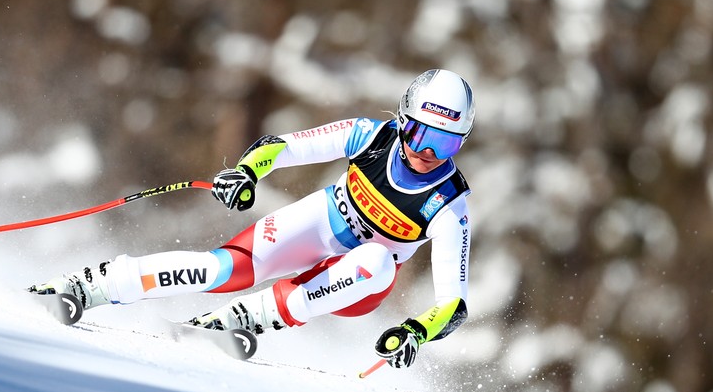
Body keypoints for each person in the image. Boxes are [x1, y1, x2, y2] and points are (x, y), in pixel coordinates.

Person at [31, 69, 474, 369]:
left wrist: (416, 330)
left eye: (446, 144)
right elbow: (283, 145)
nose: (426, 152)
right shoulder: (373, 136)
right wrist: (246, 172)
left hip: (360, 283)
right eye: (419, 133)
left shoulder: (450, 202)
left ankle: (244, 319)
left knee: (375, 262)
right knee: (221, 268)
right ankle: (89, 286)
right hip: (324, 222)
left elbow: (453, 303)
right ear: (401, 121)